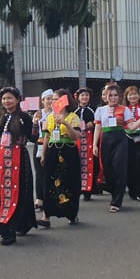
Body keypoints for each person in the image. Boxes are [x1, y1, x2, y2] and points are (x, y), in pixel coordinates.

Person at [0, 86, 37, 245]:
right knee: (2, 192)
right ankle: (9, 225)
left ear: (17, 100)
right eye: (4, 98)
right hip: (1, 159)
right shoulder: (0, 117)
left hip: (19, 159)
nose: (7, 101)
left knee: (20, 192)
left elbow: (34, 138)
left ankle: (13, 227)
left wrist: (35, 124)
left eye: (10, 98)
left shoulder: (24, 117)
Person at [38, 89, 82, 226]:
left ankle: (71, 213)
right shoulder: (50, 117)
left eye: (56, 99)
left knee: (70, 182)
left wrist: (64, 123)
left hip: (68, 151)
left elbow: (76, 136)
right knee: (49, 182)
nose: (53, 101)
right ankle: (46, 216)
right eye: (52, 99)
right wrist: (43, 154)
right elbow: (47, 136)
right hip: (52, 151)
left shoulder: (73, 117)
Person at [93, 84, 137, 213]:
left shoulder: (124, 109)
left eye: (115, 95)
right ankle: (114, 193)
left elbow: (131, 126)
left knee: (119, 168)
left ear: (119, 96)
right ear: (106, 97)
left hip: (120, 139)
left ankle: (117, 201)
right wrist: (95, 144)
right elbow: (97, 127)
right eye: (110, 95)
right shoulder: (100, 110)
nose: (113, 98)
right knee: (107, 169)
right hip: (106, 140)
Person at [122, 86, 140, 202]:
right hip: (128, 138)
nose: (133, 97)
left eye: (135, 94)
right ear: (126, 97)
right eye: (130, 95)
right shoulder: (124, 109)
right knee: (130, 165)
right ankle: (132, 190)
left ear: (139, 96)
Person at [33, 89, 54, 216]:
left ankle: (50, 197)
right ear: (43, 100)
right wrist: (35, 123)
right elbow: (33, 133)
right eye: (48, 99)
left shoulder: (57, 113)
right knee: (39, 171)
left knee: (50, 171)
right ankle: (39, 198)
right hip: (39, 144)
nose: (50, 101)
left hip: (52, 144)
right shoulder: (38, 114)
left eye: (53, 99)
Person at [73, 87, 97, 201]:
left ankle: (88, 189)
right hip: (77, 139)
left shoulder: (94, 110)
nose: (84, 97)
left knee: (89, 163)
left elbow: (98, 122)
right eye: (82, 95)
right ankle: (79, 188)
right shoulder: (74, 111)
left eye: (87, 95)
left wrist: (92, 123)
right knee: (77, 163)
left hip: (89, 139)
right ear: (77, 97)